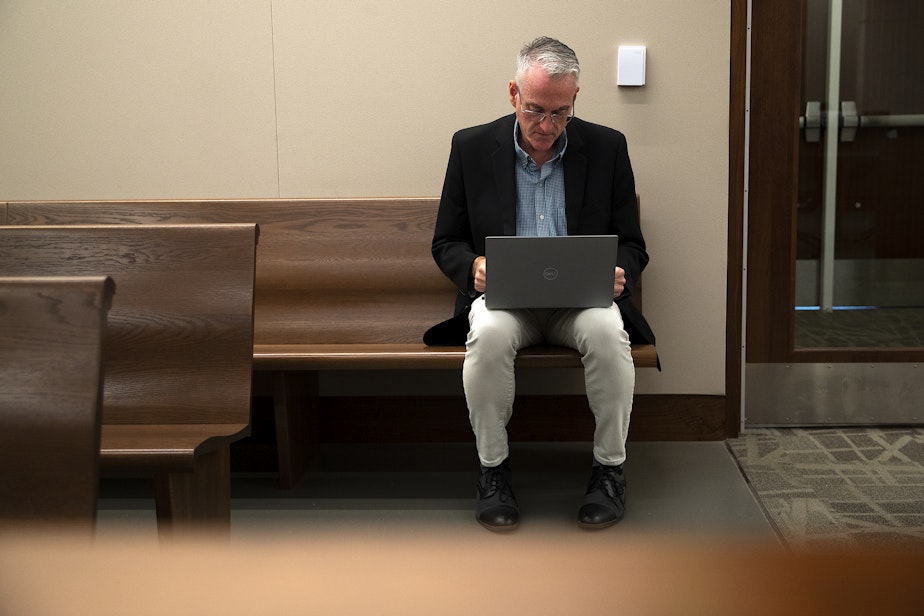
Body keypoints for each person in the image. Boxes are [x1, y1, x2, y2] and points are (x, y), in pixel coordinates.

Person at [427, 36, 656, 531]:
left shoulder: (607, 146)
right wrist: (473, 268)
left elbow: (632, 245)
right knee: (486, 337)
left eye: (561, 113)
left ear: (575, 100)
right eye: (535, 111)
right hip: (505, 301)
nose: (547, 127)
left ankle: (610, 470)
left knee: (607, 335)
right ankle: (493, 470)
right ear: (513, 94)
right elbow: (445, 241)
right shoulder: (470, 147)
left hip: (581, 301)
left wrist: (620, 273)